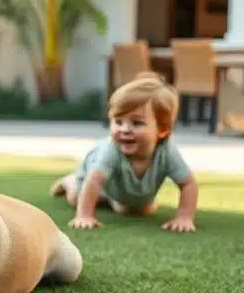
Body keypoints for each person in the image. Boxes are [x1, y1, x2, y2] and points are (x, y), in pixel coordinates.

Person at [49, 71, 199, 233]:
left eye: (137, 123)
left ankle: (114, 200)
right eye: (118, 122)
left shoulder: (167, 152)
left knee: (139, 211)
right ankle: (69, 182)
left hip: (122, 189)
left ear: (162, 130)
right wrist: (84, 215)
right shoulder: (111, 149)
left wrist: (184, 216)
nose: (125, 129)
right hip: (91, 177)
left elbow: (188, 184)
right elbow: (93, 181)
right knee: (76, 198)